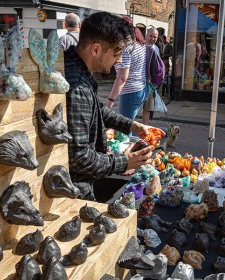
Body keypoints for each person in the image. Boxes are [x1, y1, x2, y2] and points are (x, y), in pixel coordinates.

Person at [64, 12, 164, 200]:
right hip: (75, 191)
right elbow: (79, 159)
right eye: (116, 53)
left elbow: (97, 109)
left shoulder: (76, 68)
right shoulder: (76, 87)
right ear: (95, 49)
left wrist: (132, 125)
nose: (119, 60)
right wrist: (124, 161)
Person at [106, 17, 147, 122]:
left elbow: (122, 77)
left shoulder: (126, 48)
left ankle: (161, 134)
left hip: (130, 92)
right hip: (141, 88)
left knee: (125, 130)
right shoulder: (140, 44)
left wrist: (111, 100)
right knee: (131, 125)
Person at [142, 27, 161, 125]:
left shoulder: (156, 49)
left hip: (150, 83)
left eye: (155, 37)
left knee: (147, 108)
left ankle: (144, 129)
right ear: (146, 35)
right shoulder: (141, 46)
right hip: (139, 81)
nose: (153, 38)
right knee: (135, 108)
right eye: (151, 36)